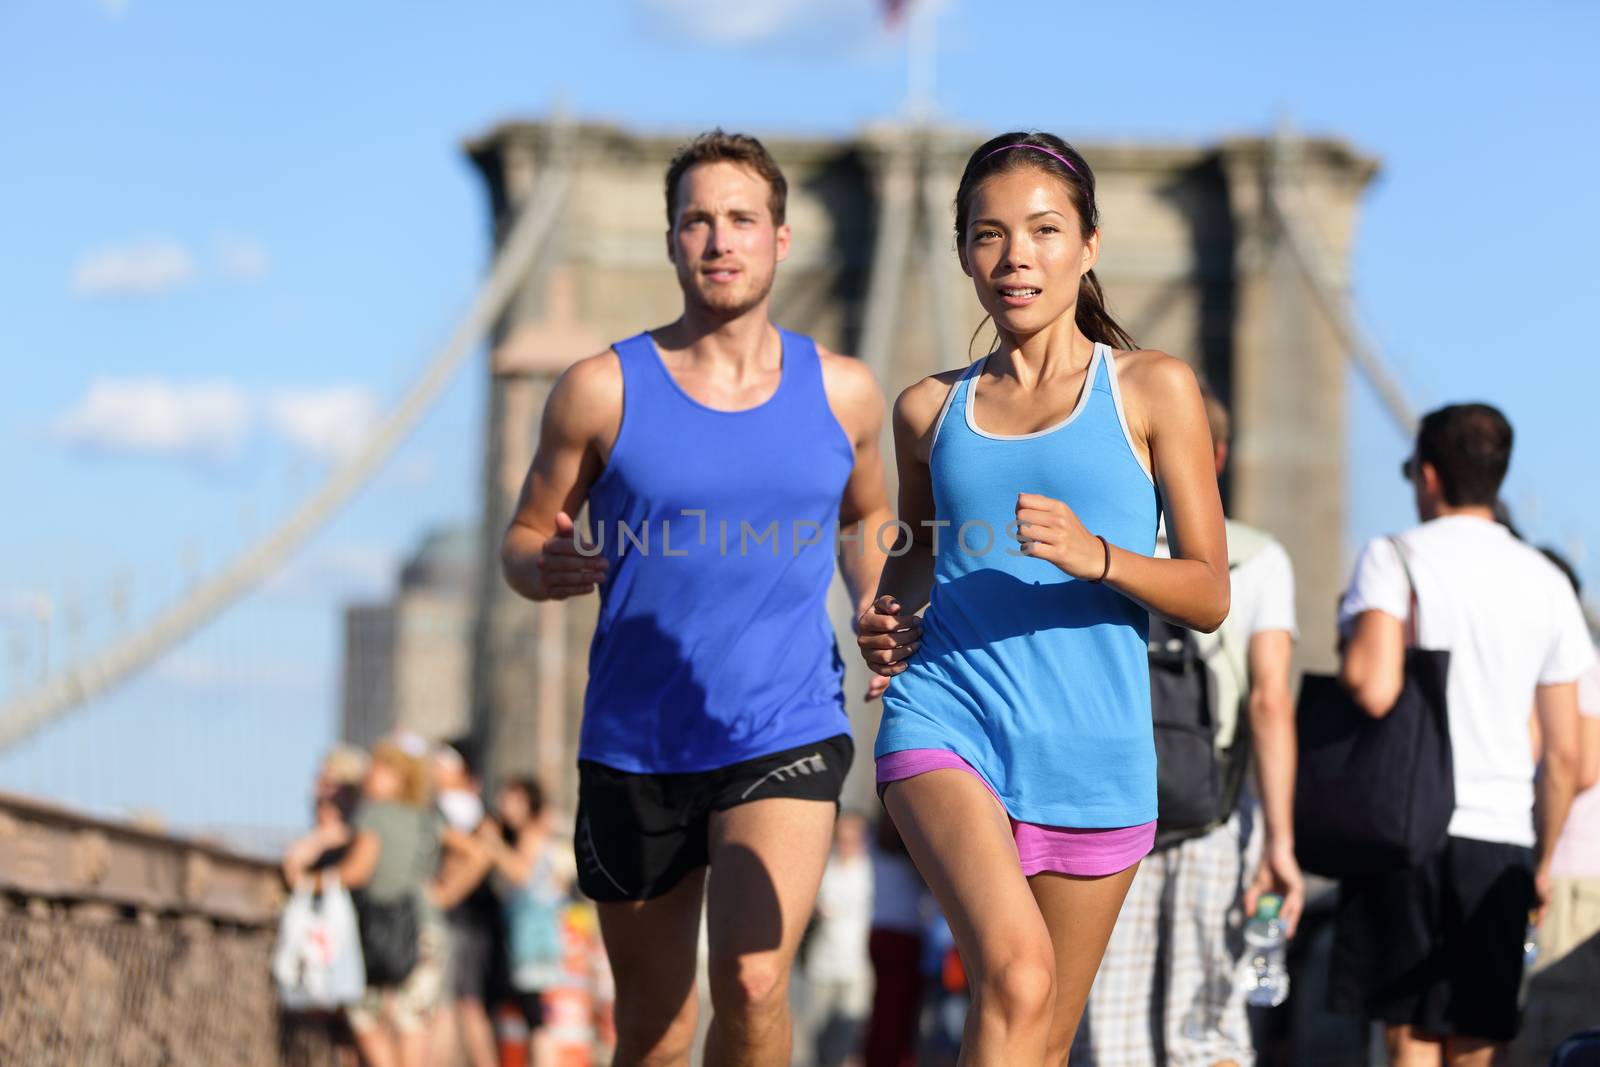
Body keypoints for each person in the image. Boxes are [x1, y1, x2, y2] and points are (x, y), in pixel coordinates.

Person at [499, 128, 894, 1067]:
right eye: (698, 221)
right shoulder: (597, 390)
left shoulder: (843, 392)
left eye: (743, 220)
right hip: (637, 740)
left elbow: (869, 519)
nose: (721, 240)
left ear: (781, 239)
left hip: (785, 725)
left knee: (756, 983)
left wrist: (878, 600)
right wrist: (538, 567)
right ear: (672, 240)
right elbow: (522, 535)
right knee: (655, 1029)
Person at [858, 131, 1230, 1066]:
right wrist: (889, 616)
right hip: (947, 720)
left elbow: (1209, 592)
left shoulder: (1153, 389)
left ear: (1090, 244)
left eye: (1044, 230)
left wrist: (1100, 555)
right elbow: (916, 553)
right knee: (1017, 979)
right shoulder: (925, 411)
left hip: (1093, 750)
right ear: (963, 254)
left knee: (1038, 1034)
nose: (1016, 256)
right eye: (989, 235)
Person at [1333, 403, 1594, 1067]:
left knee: (1408, 1034)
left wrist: (1352, 642)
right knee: (1476, 1036)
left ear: (1426, 474)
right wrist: (1539, 863)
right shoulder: (1546, 581)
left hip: (1405, 829)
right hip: (1502, 839)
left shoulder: (1393, 558)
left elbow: (1371, 682)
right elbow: (1566, 755)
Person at [1072, 388, 1303, 1066]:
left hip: (1103, 812)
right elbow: (1269, 702)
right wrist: (1280, 840)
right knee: (1208, 1026)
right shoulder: (1259, 557)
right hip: (1216, 818)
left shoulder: (1092, 548)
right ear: (1218, 458)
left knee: (1109, 1029)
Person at [1508, 550, 1600, 1067]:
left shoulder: (1573, 665)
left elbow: (1580, 765)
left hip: (1568, 881)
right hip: (1581, 880)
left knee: (1553, 1041)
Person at [339, 740, 450, 1067]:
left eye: (378, 768)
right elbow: (473, 851)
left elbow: (357, 872)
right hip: (427, 927)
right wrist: (445, 892)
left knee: (364, 1017)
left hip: (382, 929)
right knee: (412, 1024)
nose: (368, 775)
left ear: (398, 777)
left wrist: (312, 880)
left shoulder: (372, 814)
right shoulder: (425, 818)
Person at [475, 777, 573, 1067]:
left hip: (530, 938)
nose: (505, 805)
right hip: (531, 935)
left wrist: (491, 844)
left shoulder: (531, 835)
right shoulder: (529, 835)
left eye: (512, 799)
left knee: (535, 1018)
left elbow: (521, 873)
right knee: (529, 1016)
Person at [430, 740, 499, 1067]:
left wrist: (444, 895)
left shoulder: (456, 810)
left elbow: (479, 858)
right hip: (467, 922)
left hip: (460, 923)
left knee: (457, 1007)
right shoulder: (464, 809)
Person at [802, 810, 874, 1067]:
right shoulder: (821, 868)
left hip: (856, 969)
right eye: (842, 837)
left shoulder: (871, 870)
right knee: (818, 1038)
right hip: (821, 967)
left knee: (846, 1039)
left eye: (853, 837)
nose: (847, 843)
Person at [863, 815, 927, 1067]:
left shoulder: (874, 843)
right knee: (899, 1012)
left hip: (879, 930)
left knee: (884, 1009)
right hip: (905, 934)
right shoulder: (911, 849)